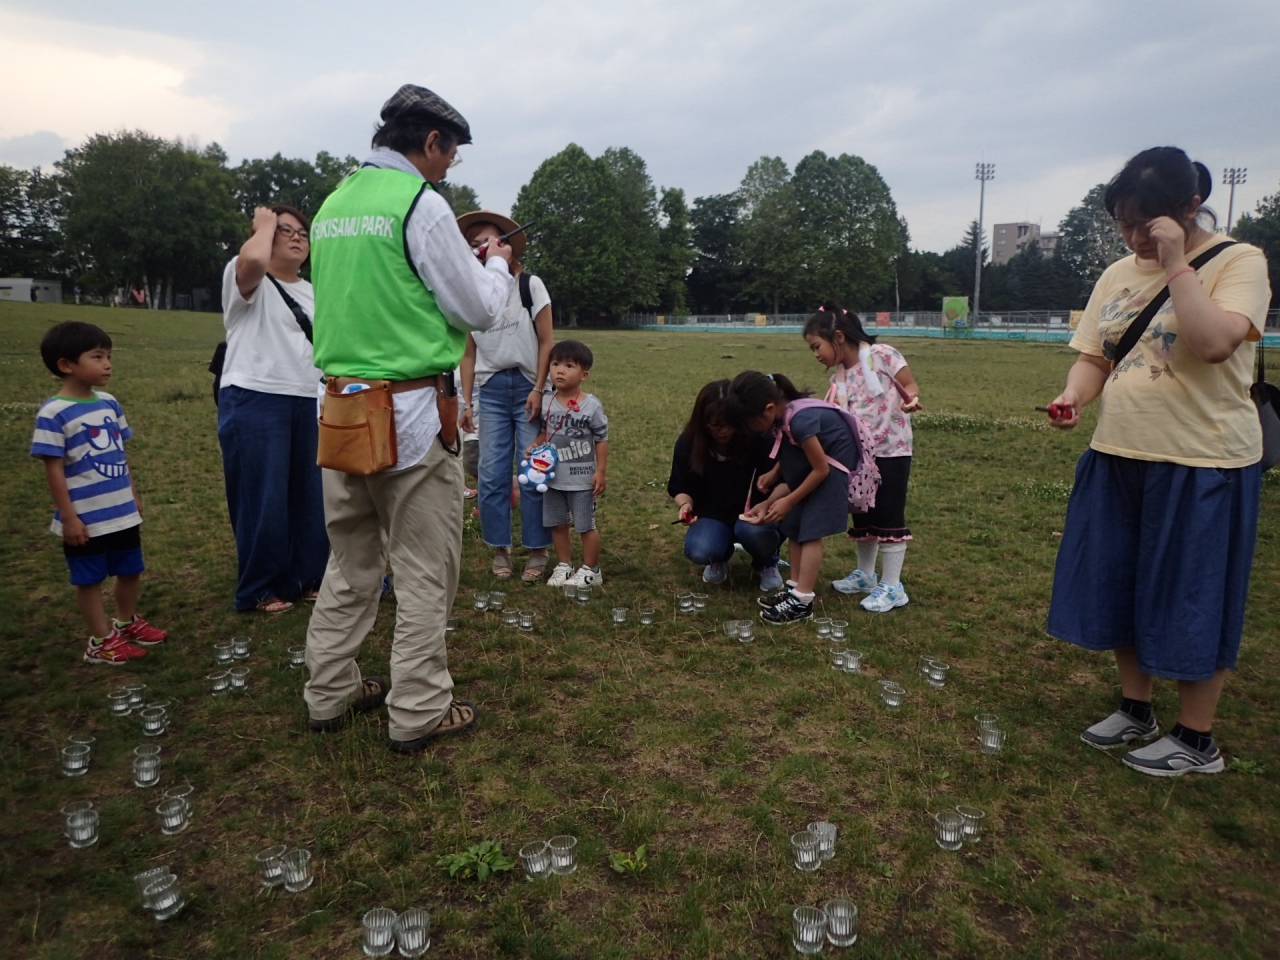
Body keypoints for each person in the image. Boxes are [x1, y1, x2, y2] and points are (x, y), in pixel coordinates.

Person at [1045, 146, 1271, 777]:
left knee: (1193, 594)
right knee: (1121, 581)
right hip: (1119, 452)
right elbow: (1094, 356)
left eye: (1145, 224)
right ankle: (1135, 708)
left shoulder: (1239, 261)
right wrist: (1073, 394)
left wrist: (1175, 265)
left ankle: (1196, 739)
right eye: (1123, 222)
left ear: (1188, 209)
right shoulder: (1117, 273)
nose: (1133, 237)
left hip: (1204, 462)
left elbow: (1213, 342)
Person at [303, 84, 515, 753]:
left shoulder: (333, 204)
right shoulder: (420, 205)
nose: (448, 170)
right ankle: (419, 709)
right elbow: (476, 310)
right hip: (411, 418)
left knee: (350, 561)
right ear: (430, 143)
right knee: (425, 569)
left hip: (340, 409)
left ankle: (329, 692)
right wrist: (499, 267)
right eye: (448, 156)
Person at [30, 321, 168, 664]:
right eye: (97, 356)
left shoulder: (108, 402)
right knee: (89, 578)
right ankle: (100, 639)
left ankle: (125, 622)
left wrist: (132, 494)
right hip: (85, 517)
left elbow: (120, 454)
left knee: (130, 568)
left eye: (108, 355)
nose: (107, 364)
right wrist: (70, 517)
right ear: (66, 365)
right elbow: (54, 468)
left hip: (120, 509)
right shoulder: (54, 413)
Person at [217, 204, 328, 614]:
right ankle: (261, 586)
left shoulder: (314, 290)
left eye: (302, 232)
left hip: (308, 397)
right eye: (286, 230)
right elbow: (253, 257)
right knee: (262, 497)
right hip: (255, 396)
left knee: (310, 495)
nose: (297, 237)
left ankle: (309, 576)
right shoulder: (247, 276)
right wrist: (263, 225)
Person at [803, 301, 921, 612]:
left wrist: (911, 400)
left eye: (817, 346)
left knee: (888, 515)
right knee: (864, 513)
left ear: (838, 337)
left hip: (892, 450)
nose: (816, 354)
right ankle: (866, 576)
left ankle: (894, 586)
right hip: (860, 456)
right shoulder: (838, 380)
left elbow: (908, 384)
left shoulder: (883, 355)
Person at [457, 209, 554, 583]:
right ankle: (500, 548)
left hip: (528, 386)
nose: (482, 248)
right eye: (475, 243)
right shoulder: (471, 296)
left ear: (508, 247)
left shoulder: (530, 285)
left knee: (533, 472)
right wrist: (467, 401)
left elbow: (547, 342)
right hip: (491, 391)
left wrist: (539, 389)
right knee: (491, 473)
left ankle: (537, 550)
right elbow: (468, 352)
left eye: (489, 240)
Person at [727, 371, 861, 624]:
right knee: (795, 527)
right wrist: (774, 474)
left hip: (831, 475)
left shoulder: (800, 420)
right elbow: (793, 451)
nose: (751, 431)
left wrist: (789, 499)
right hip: (816, 471)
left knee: (810, 533)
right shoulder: (784, 417)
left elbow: (822, 468)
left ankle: (802, 601)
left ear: (768, 409)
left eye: (750, 423)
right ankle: (794, 589)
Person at [668, 379, 783, 590]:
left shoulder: (759, 438)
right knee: (701, 550)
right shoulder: (688, 442)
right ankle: (719, 556)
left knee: (754, 533)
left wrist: (768, 505)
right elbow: (680, 486)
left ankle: (766, 562)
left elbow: (783, 482)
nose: (724, 431)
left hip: (754, 513)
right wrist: (685, 505)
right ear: (703, 423)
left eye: (731, 424)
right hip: (712, 515)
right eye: (716, 425)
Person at [536, 340, 609, 589]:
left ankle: (591, 569)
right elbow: (543, 432)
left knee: (585, 525)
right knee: (557, 523)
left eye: (569, 366)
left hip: (581, 478)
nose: (560, 370)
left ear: (584, 375)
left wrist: (600, 471)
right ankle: (564, 565)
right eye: (555, 364)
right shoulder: (546, 401)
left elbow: (601, 438)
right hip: (552, 477)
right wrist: (535, 447)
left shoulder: (591, 405)